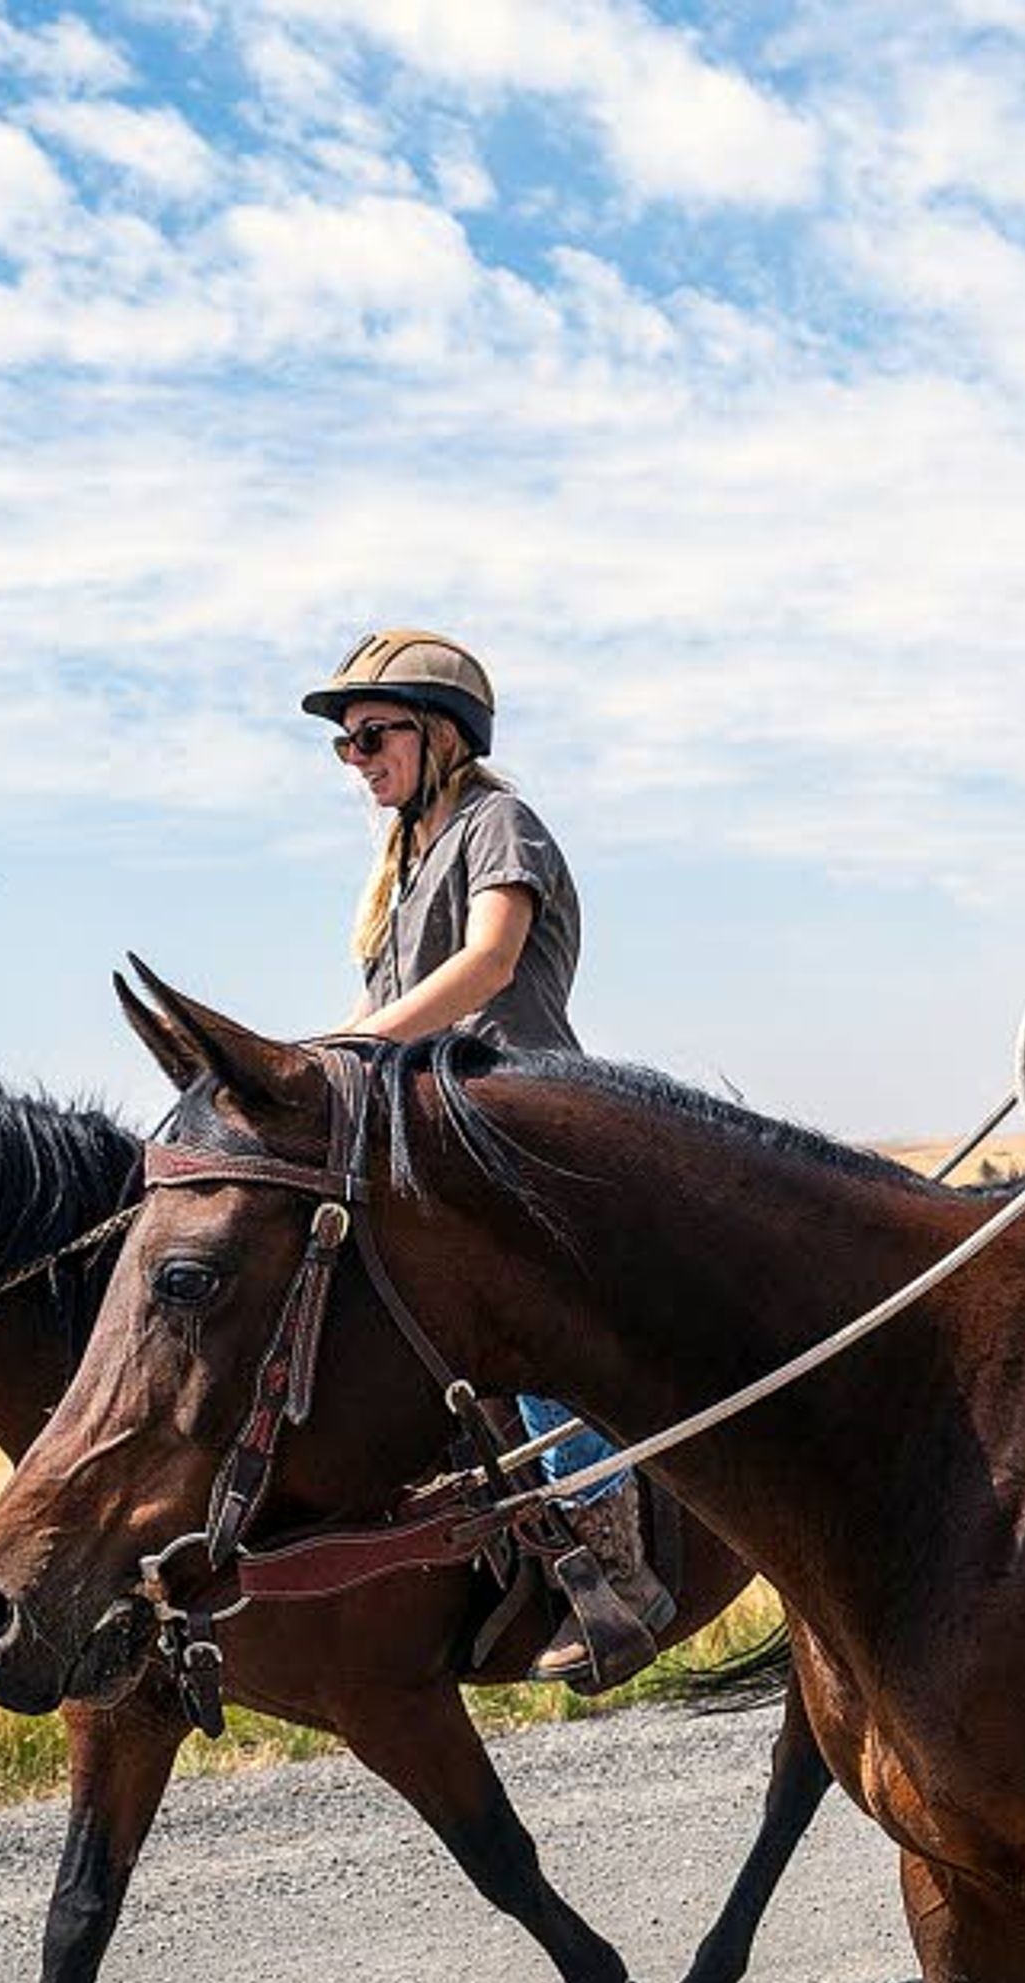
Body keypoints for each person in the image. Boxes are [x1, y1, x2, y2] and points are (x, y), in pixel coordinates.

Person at [303, 628, 670, 1685]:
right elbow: (378, 1011)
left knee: (533, 1320)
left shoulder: (496, 823)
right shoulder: (401, 864)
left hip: (519, 1121)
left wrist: (355, 1048)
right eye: (345, 746)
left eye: (373, 734)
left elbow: (489, 960)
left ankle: (616, 1565)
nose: (359, 757)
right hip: (432, 1131)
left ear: (441, 732)